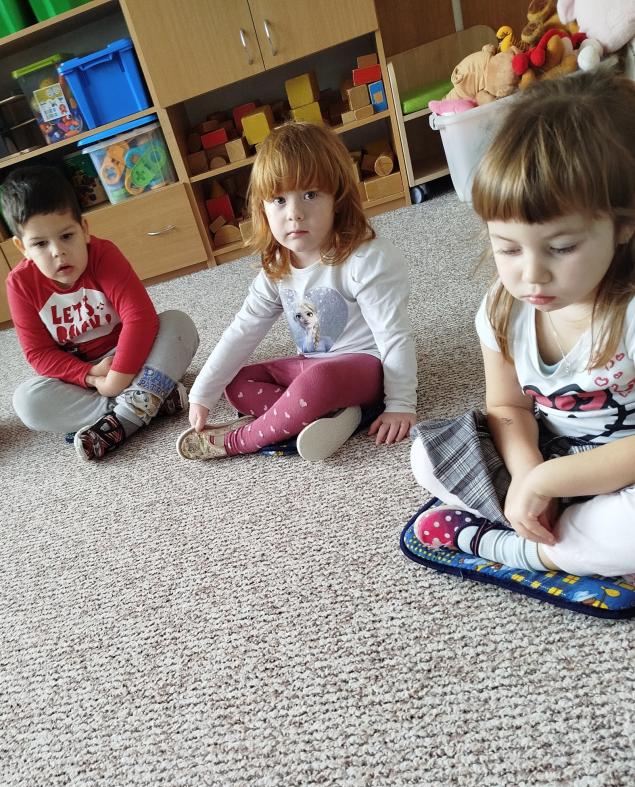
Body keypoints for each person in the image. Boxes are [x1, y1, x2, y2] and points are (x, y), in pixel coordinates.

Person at [411, 68, 635, 578]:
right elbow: (508, 407)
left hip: (619, 469)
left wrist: (548, 482)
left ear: (624, 226)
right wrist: (528, 471)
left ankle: (509, 547)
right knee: (427, 455)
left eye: (562, 247)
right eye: (508, 248)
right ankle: (564, 534)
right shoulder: (502, 309)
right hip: (548, 455)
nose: (531, 274)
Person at [176, 121, 417, 463]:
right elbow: (243, 330)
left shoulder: (366, 259)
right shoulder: (277, 266)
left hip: (367, 370)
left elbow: (394, 335)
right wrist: (203, 393)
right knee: (237, 383)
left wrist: (401, 403)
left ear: (337, 198)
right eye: (279, 199)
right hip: (312, 372)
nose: (294, 214)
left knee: (318, 381)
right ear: (263, 209)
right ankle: (328, 416)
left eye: (310, 194)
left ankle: (241, 440)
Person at [3, 165, 199, 462]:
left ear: (84, 229)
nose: (58, 252)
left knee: (178, 323)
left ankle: (124, 415)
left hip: (132, 356)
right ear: (22, 248)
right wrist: (91, 376)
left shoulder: (103, 254)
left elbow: (140, 318)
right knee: (27, 402)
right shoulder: (19, 283)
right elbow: (39, 354)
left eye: (66, 236)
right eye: (40, 244)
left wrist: (116, 381)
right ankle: (149, 400)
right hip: (87, 376)